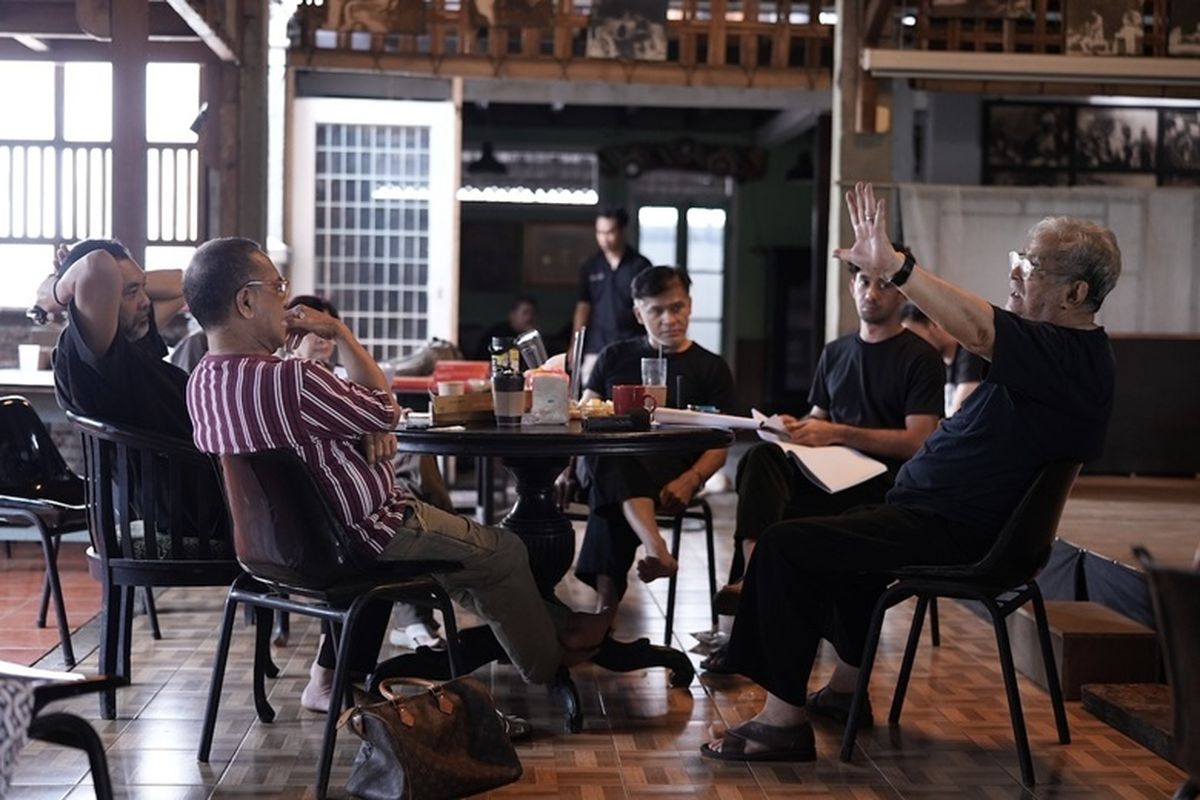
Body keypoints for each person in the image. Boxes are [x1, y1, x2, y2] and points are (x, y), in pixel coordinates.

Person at [702, 182, 1120, 762]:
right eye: (1017, 260)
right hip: (936, 518)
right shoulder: (1059, 352)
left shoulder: (1069, 355)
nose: (1015, 275)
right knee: (835, 541)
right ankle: (844, 694)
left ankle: (781, 724)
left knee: (784, 547)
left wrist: (897, 268)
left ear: (1075, 291)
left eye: (1030, 266)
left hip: (962, 533)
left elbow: (977, 328)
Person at [182, 237, 614, 699]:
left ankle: (565, 627)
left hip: (269, 551)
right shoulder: (292, 379)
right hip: (367, 534)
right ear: (246, 301)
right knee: (504, 551)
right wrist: (340, 333)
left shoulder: (202, 383)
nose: (285, 299)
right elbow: (385, 411)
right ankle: (552, 663)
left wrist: (362, 427)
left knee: (473, 570)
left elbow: (319, 431)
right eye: (277, 286)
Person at [710, 250, 944, 619]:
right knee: (761, 459)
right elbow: (818, 416)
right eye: (864, 282)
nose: (872, 293)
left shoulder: (920, 357)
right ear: (852, 286)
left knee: (780, 517)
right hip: (826, 475)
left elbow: (917, 442)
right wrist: (793, 427)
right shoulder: (835, 352)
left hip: (881, 486)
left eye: (884, 284)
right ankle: (755, 577)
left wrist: (836, 433)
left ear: (902, 293)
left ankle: (756, 592)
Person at [558, 266, 734, 612]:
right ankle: (656, 548)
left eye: (678, 307)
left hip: (667, 474)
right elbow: (581, 418)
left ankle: (604, 611)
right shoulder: (613, 356)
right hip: (602, 462)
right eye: (657, 311)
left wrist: (692, 478)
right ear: (639, 313)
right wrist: (564, 469)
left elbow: (720, 445)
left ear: (690, 305)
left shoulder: (711, 368)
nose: (670, 319)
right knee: (610, 453)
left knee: (611, 490)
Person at [36, 240, 190, 436]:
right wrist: (54, 294)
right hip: (179, 463)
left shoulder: (132, 330)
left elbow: (184, 282)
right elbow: (97, 264)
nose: (146, 301)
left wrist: (130, 282)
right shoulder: (99, 352)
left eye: (143, 288)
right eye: (132, 292)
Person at [572, 208, 652, 380]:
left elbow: (649, 307)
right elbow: (583, 306)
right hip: (596, 345)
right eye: (600, 233)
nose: (604, 238)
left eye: (609, 232)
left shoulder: (640, 265)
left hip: (631, 345)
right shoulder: (591, 265)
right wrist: (575, 345)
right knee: (590, 400)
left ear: (623, 231)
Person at [901, 303, 986, 416]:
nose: (912, 346)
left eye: (915, 337)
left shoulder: (970, 351)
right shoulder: (936, 363)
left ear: (934, 325)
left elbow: (959, 416)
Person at [471, 295, 538, 360]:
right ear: (512, 315)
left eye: (533, 313)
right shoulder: (499, 334)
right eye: (525, 313)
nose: (529, 318)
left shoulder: (530, 337)